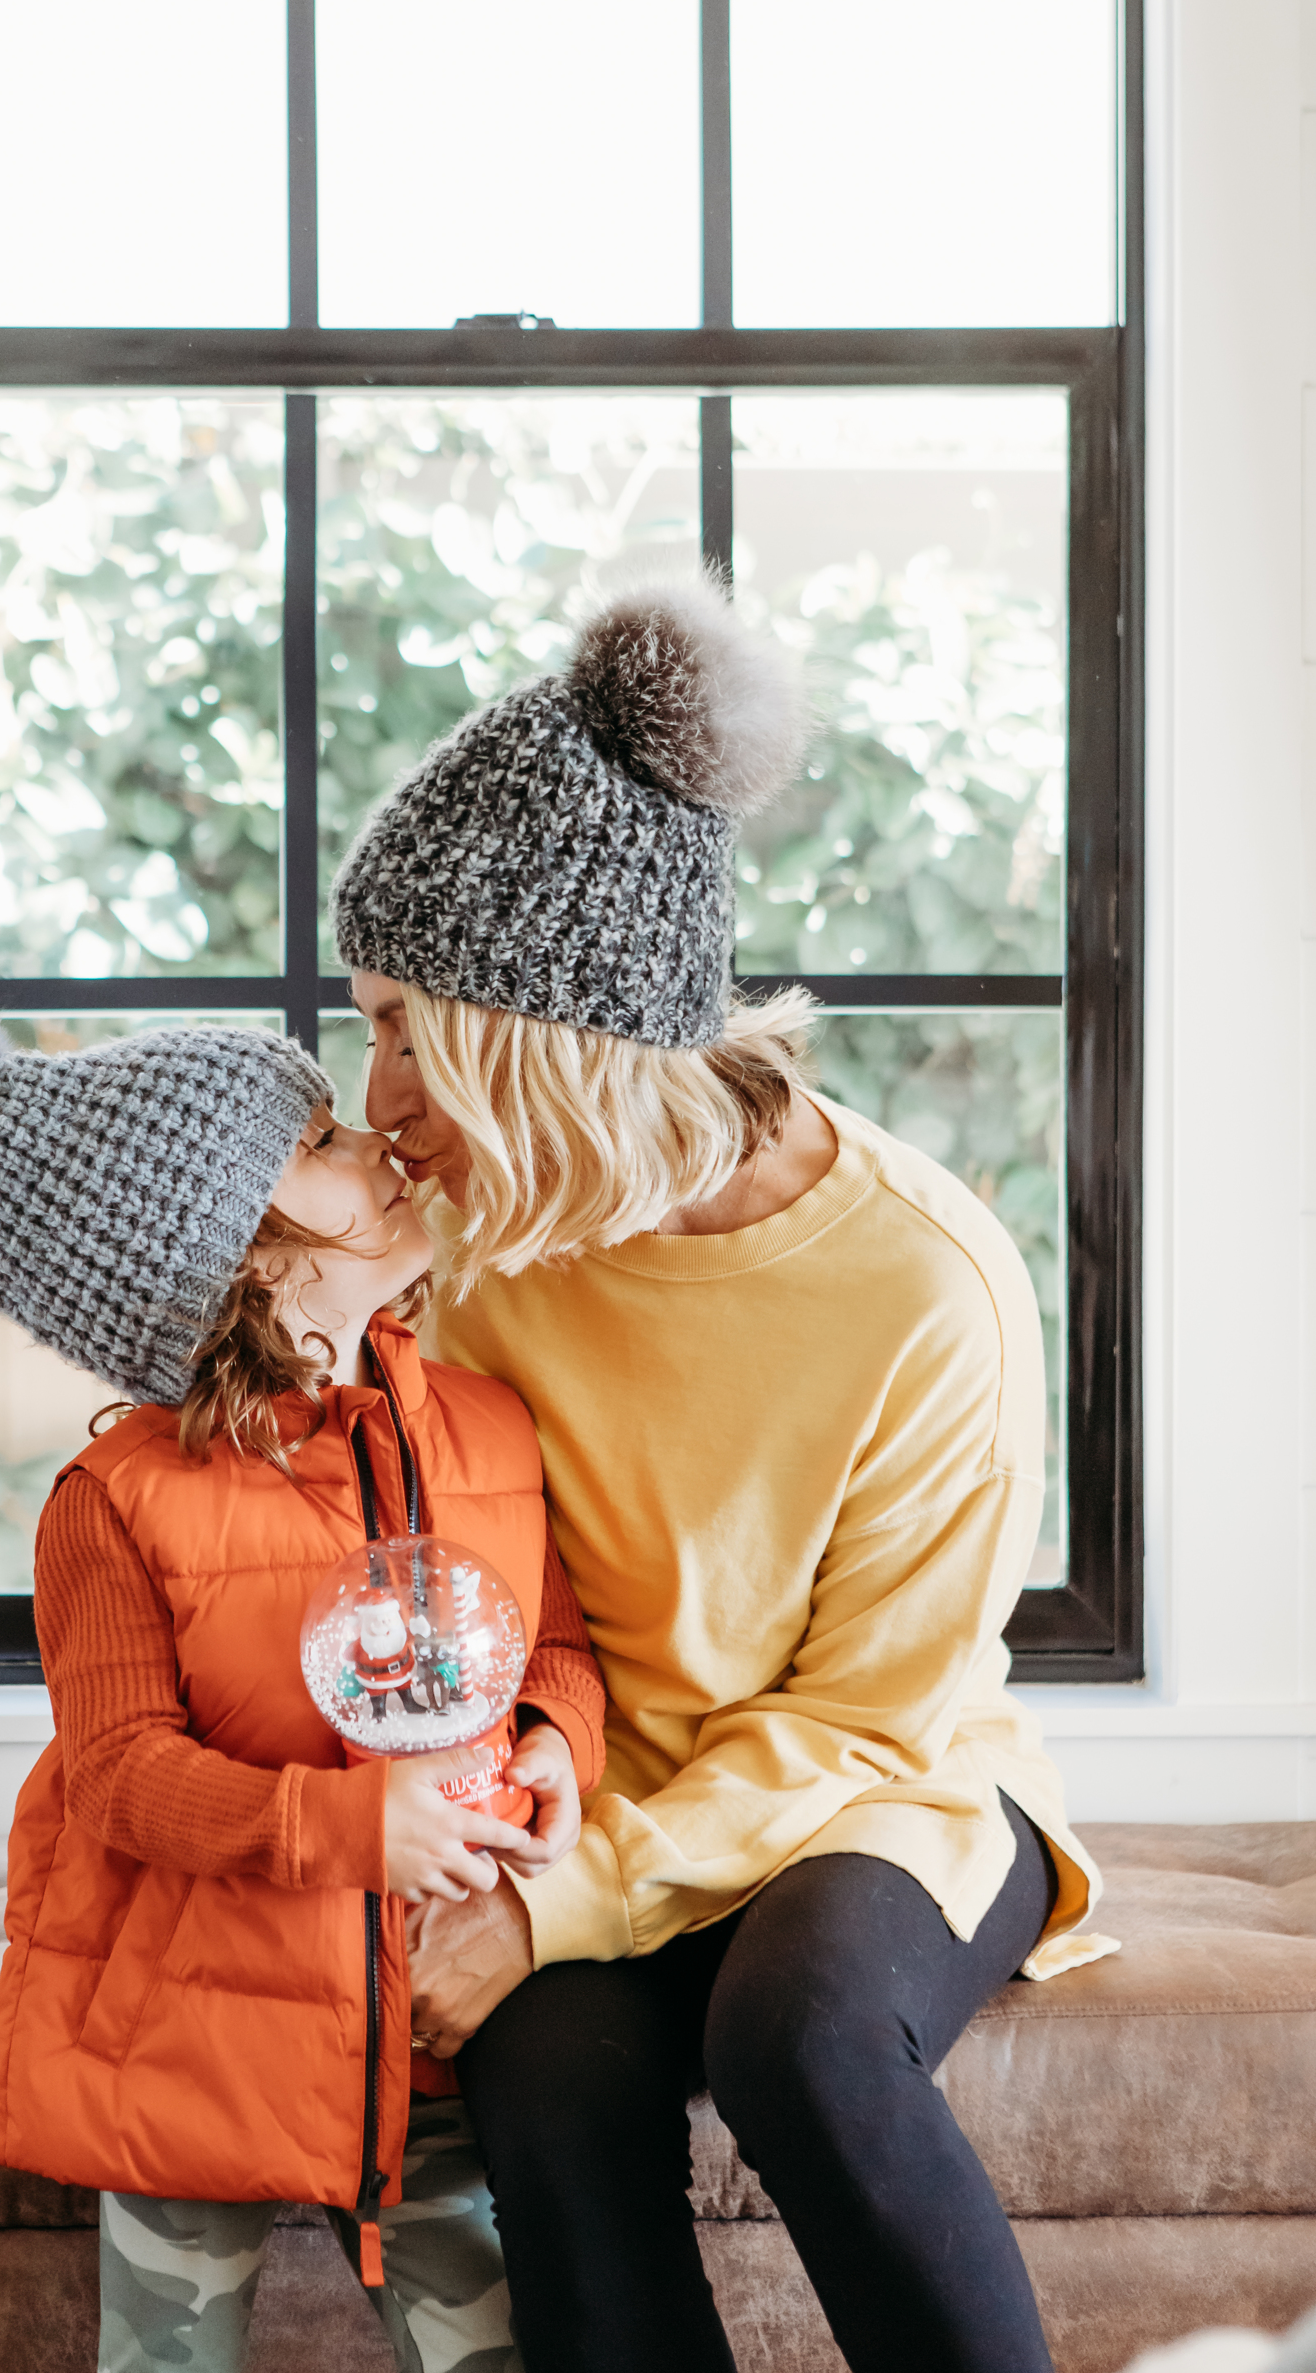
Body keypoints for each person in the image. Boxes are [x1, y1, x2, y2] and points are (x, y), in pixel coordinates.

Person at [330, 577, 1113, 2373]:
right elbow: (447, 1587)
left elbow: (866, 1713)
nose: (376, 1095)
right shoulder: (482, 1240)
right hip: (599, 1783)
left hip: (877, 1788)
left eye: (403, 1028)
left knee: (804, 2028)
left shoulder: (928, 1280)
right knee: (537, 2058)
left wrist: (552, 1904)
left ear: (543, 1042)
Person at [0, 984, 607, 2373]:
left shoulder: (490, 1425)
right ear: (238, 1259)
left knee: (497, 2346)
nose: (385, 1146)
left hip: (423, 2025)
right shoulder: (113, 1502)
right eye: (324, 1141)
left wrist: (557, 1751)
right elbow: (118, 1772)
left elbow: (554, 1651)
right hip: (184, 2023)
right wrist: (348, 1828)